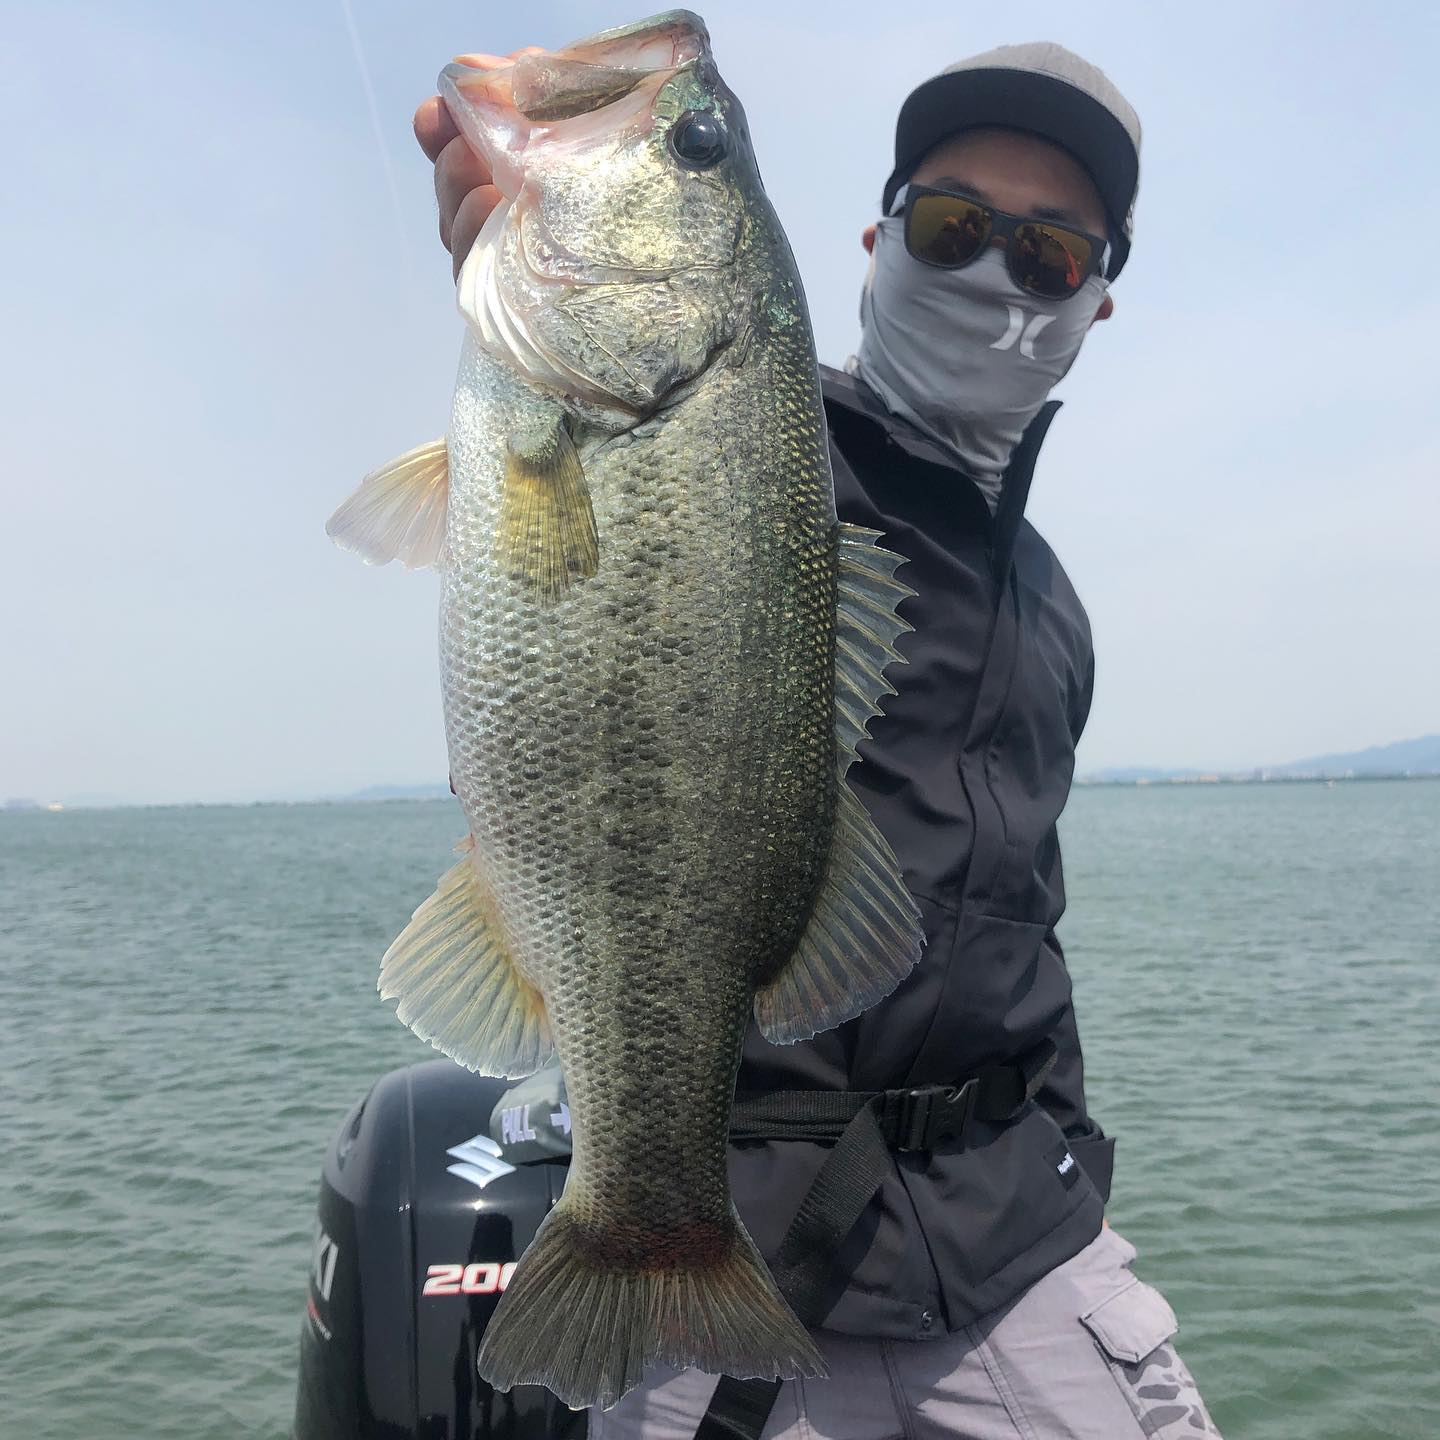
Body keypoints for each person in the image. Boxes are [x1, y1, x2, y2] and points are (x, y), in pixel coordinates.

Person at [413, 39, 1223, 1440]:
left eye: (1048, 254)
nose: (994, 275)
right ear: (877, 241)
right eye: (954, 226)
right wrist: (528, 243)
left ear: (1096, 302)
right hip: (732, 1247)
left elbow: (1018, 917)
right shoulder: (773, 450)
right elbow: (585, 529)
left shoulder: (1054, 605)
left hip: (1020, 1251)